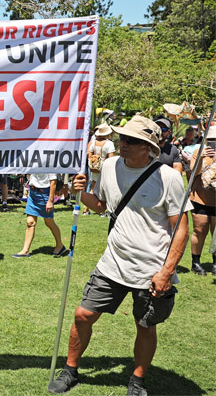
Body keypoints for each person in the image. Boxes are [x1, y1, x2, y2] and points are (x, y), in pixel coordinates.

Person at [49, 116, 191, 396]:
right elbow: (102, 206)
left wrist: (166, 272)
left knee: (145, 325)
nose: (122, 144)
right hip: (112, 263)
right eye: (122, 138)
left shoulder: (169, 178)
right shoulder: (111, 166)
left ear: (148, 147)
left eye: (131, 140)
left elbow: (181, 230)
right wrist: (82, 192)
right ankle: (70, 370)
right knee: (82, 315)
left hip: (151, 270)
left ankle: (137, 382)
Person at [12, 173, 66, 258]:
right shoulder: (33, 160)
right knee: (30, 222)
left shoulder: (49, 161)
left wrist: (50, 201)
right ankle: (25, 250)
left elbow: (53, 182)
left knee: (49, 222)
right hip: (33, 193)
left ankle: (60, 245)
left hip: (45, 194)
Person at [187, 125, 216, 276]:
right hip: (200, 198)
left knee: (215, 232)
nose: (213, 143)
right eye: (211, 140)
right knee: (200, 229)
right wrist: (201, 157)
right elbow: (194, 171)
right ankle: (196, 262)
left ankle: (215, 263)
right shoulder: (199, 152)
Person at [86, 123, 116, 192]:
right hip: (105, 167)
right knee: (104, 187)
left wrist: (94, 160)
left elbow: (89, 154)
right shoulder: (109, 144)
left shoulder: (93, 142)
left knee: (93, 186)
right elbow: (111, 158)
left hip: (95, 166)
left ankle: (91, 200)